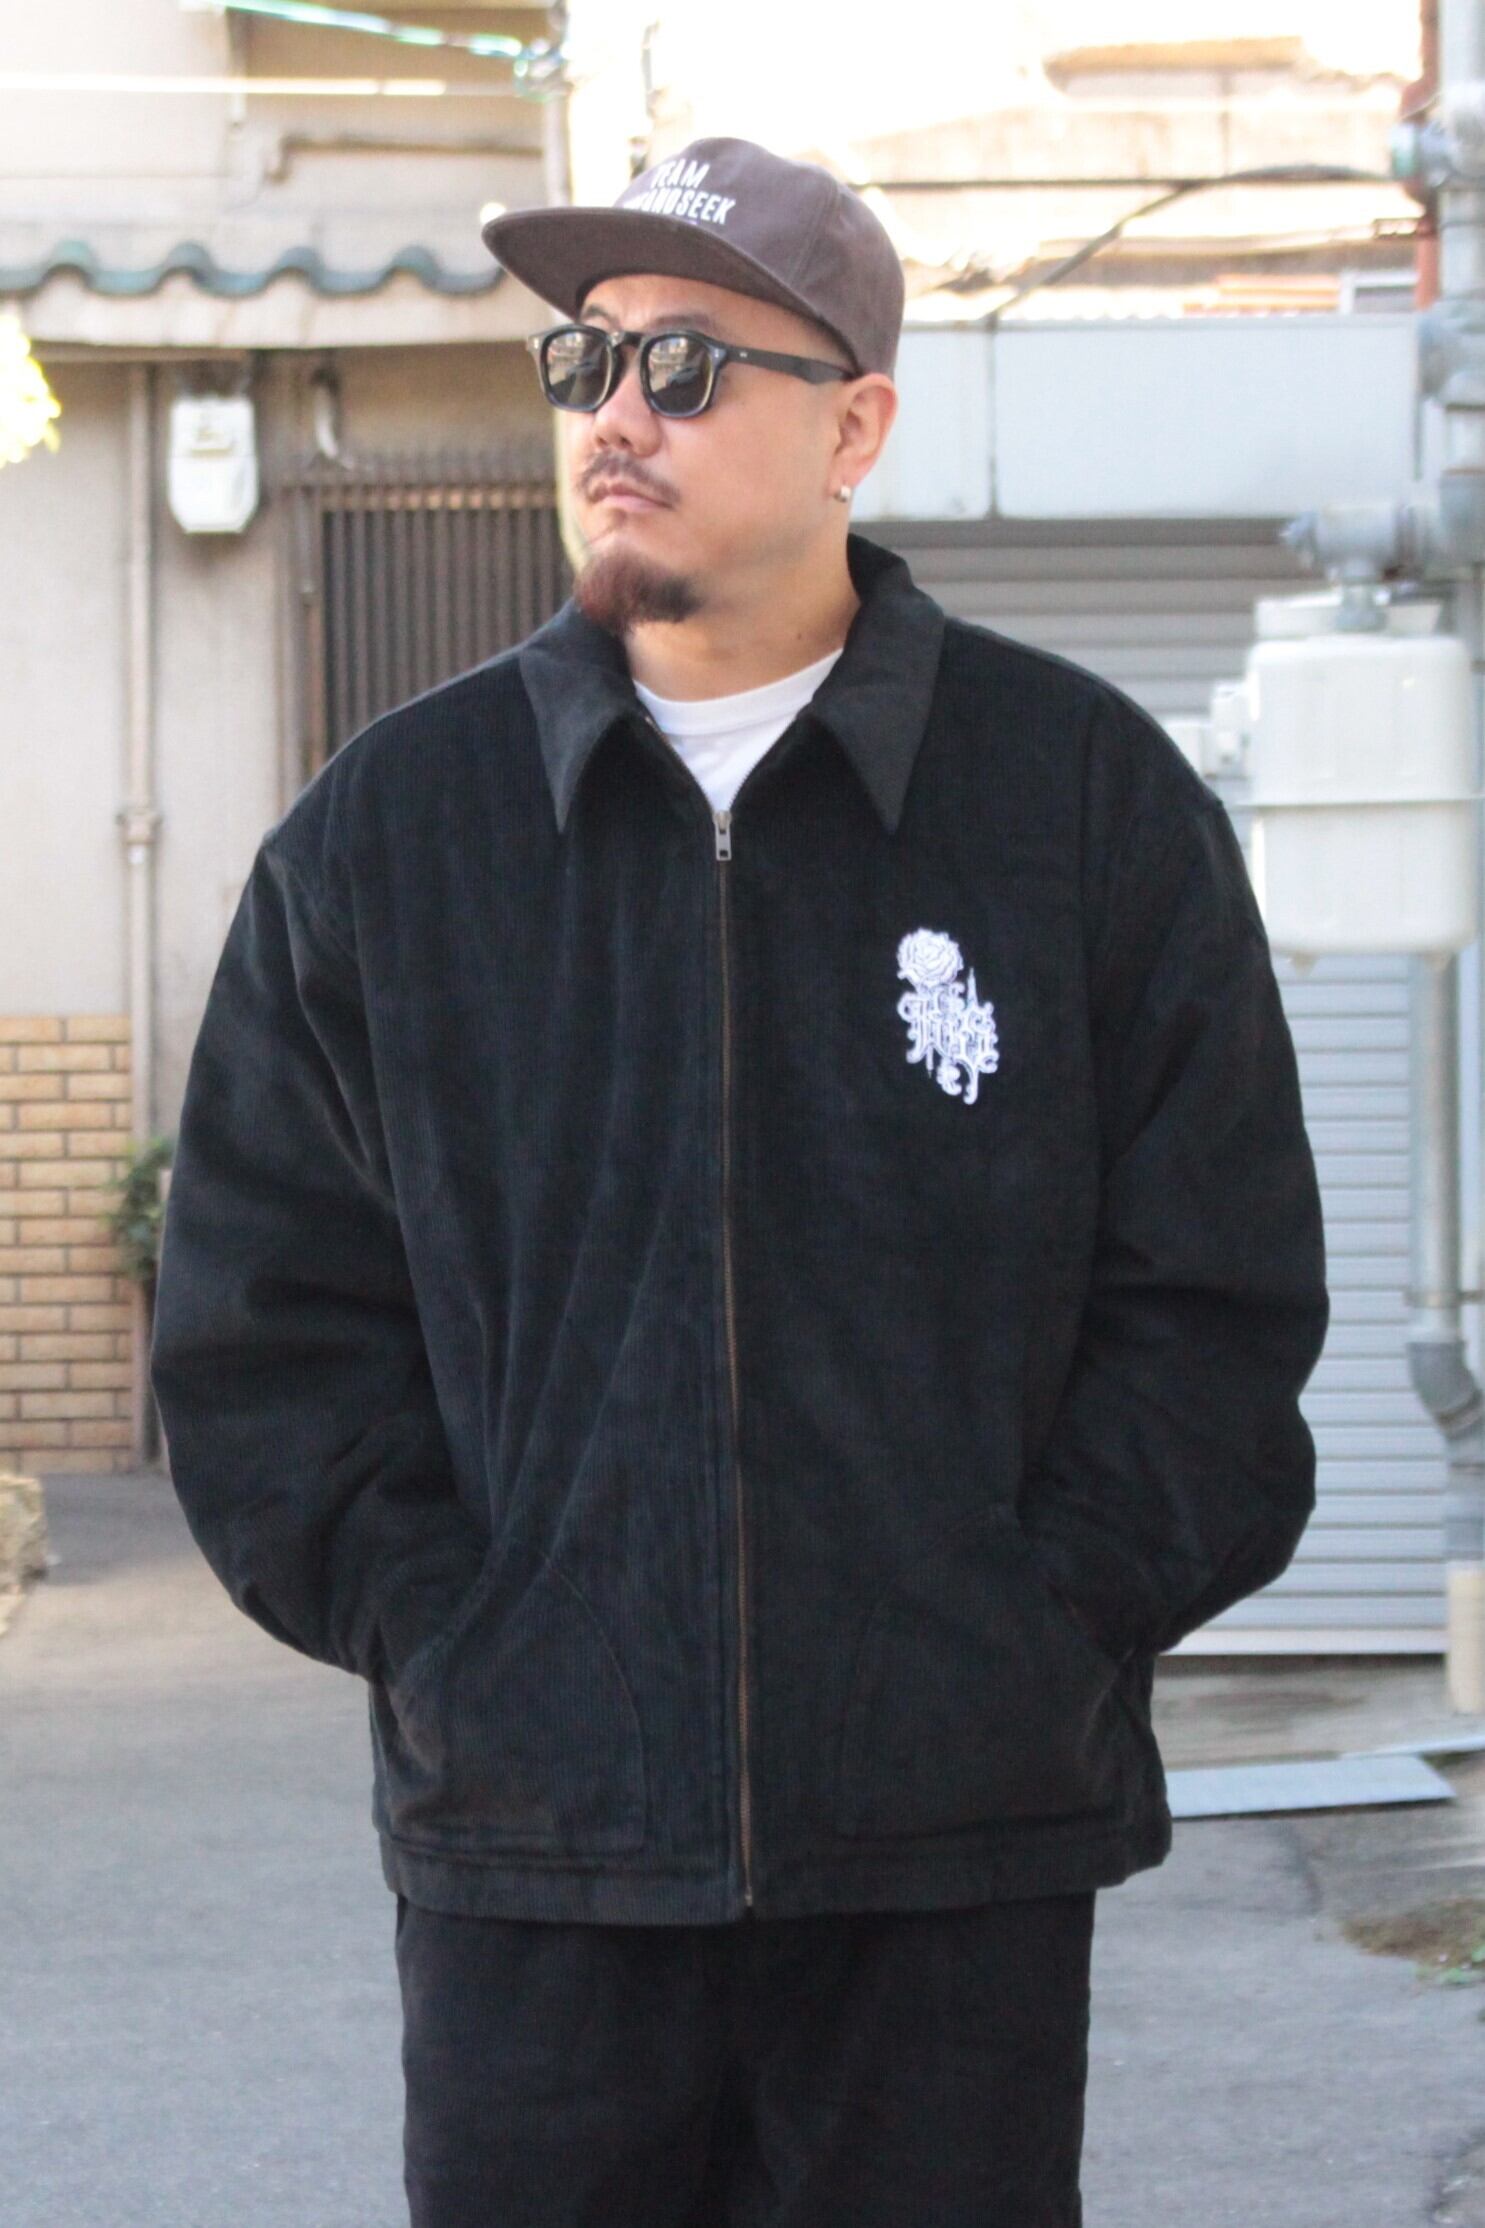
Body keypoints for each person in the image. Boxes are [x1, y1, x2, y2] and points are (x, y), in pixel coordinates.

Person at [150, 135, 1330, 2227]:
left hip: (950, 1868)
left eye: (686, 365)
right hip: (538, 1871)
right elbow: (265, 1340)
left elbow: (1213, 1316)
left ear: (852, 425)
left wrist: (1026, 1626)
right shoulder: (390, 843)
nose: (616, 412)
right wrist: (464, 1641)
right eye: (584, 358)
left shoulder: (1077, 810)